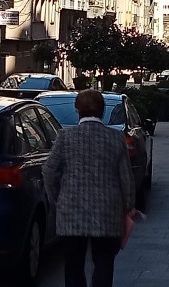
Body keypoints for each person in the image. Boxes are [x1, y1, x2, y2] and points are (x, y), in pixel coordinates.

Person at [43, 90, 135, 287]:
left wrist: (58, 200)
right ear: (102, 111)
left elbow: (49, 170)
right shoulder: (116, 138)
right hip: (107, 212)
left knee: (73, 265)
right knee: (104, 263)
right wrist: (128, 205)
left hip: (71, 212)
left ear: (77, 110)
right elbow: (126, 178)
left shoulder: (65, 136)